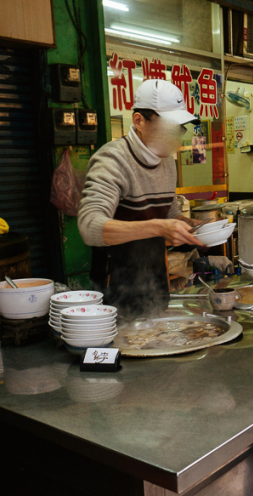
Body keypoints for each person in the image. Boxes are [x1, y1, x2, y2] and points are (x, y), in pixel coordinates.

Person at [78, 79, 203, 319]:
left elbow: (168, 210)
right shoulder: (112, 161)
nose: (177, 136)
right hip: (115, 287)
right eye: (170, 127)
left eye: (180, 128)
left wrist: (188, 225)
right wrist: (158, 227)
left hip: (155, 280)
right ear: (139, 121)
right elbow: (89, 226)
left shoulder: (166, 161)